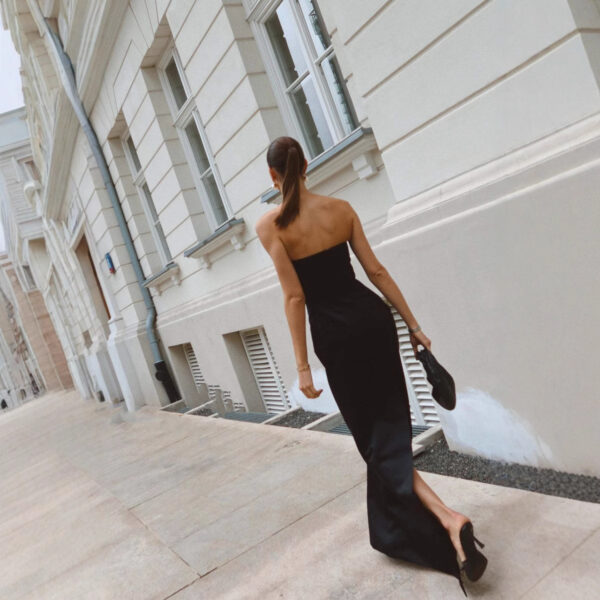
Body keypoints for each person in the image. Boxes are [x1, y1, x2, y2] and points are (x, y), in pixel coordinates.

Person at [255, 136, 488, 596]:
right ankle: (433, 523)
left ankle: (448, 519)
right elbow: (376, 273)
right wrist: (413, 325)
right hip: (374, 322)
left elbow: (295, 296)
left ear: (273, 176)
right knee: (389, 428)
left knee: (375, 444)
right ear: (306, 166)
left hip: (336, 336)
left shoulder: (272, 226)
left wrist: (302, 368)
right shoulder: (341, 208)